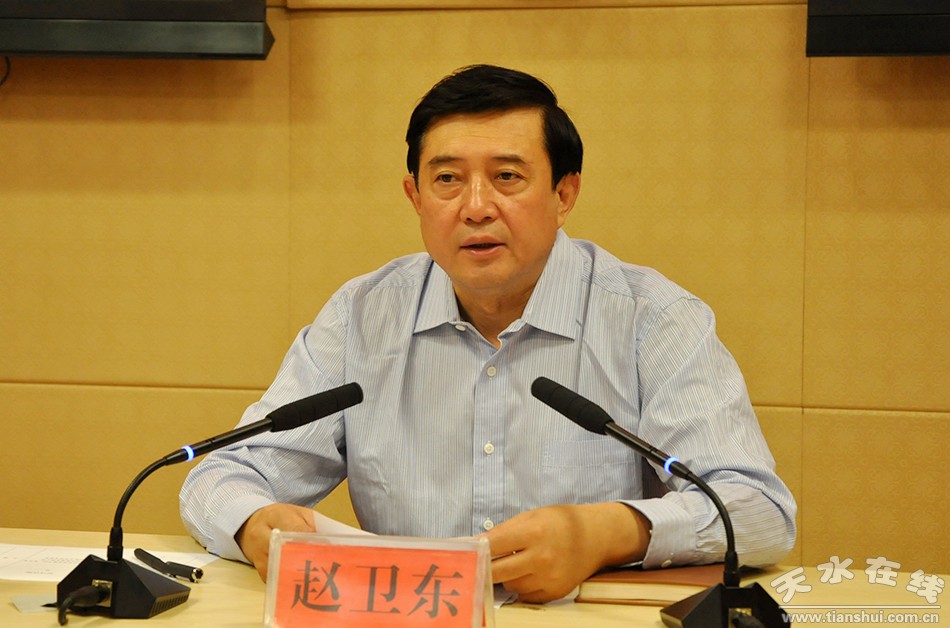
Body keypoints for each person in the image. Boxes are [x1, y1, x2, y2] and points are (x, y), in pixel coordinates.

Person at [180, 64, 796, 603]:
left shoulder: (652, 318)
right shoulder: (363, 317)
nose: (475, 206)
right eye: (447, 180)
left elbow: (759, 511)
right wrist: (254, 523)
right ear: (415, 197)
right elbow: (219, 477)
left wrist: (607, 533)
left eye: (507, 177)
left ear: (564, 194)